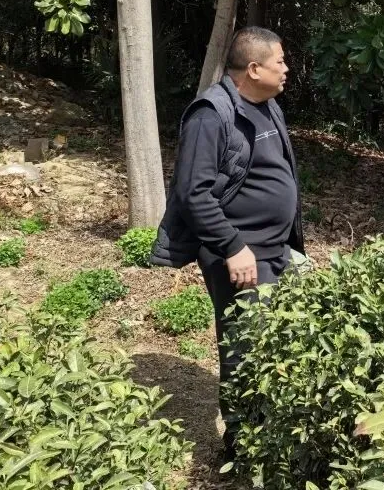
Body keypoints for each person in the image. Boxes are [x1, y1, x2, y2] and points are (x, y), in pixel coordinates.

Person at [148, 26, 302, 464]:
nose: (286, 69)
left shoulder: (267, 105)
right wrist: (233, 246)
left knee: (278, 342)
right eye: (279, 62)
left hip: (275, 250)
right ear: (254, 69)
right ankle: (243, 447)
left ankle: (272, 430)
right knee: (244, 348)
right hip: (238, 255)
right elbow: (191, 193)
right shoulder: (211, 115)